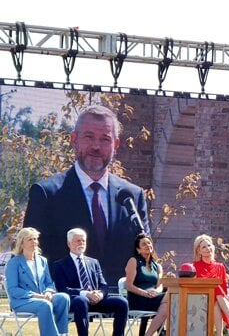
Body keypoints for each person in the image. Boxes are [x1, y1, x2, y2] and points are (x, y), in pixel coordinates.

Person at [24, 104, 150, 285]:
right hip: (67, 305)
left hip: (123, 306)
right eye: (89, 137)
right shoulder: (46, 194)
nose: (96, 146)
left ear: (116, 144)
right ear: (74, 139)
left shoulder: (132, 197)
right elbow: (32, 258)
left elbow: (144, 255)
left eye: (105, 139)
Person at [53, 228, 129, 336]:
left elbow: (104, 285)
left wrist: (100, 294)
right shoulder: (60, 265)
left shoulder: (93, 262)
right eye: (78, 241)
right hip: (76, 301)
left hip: (96, 300)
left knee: (122, 302)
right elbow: (62, 289)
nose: (81, 243)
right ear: (69, 244)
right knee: (81, 300)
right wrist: (86, 293)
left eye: (83, 240)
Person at [4, 227, 70, 336]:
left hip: (43, 297)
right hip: (22, 301)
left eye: (35, 239)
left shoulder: (42, 261)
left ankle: (62, 333)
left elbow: (49, 283)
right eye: (30, 239)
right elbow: (13, 290)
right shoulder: (13, 263)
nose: (34, 242)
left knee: (63, 298)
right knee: (45, 304)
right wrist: (37, 296)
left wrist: (49, 292)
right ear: (22, 243)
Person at [192, 234, 229, 335]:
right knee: (215, 288)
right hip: (200, 299)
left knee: (216, 300)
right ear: (199, 251)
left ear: (213, 247)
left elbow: (223, 290)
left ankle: (220, 333)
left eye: (209, 245)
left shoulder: (220, 266)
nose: (207, 249)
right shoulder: (194, 266)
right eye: (203, 247)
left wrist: (224, 299)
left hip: (217, 300)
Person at [124, 233, 168, 336]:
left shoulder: (157, 266)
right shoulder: (133, 261)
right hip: (138, 299)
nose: (148, 245)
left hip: (154, 298)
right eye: (144, 244)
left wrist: (156, 292)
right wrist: (145, 293)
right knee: (171, 299)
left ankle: (148, 334)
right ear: (138, 249)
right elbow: (128, 286)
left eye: (149, 243)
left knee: (169, 303)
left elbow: (160, 286)